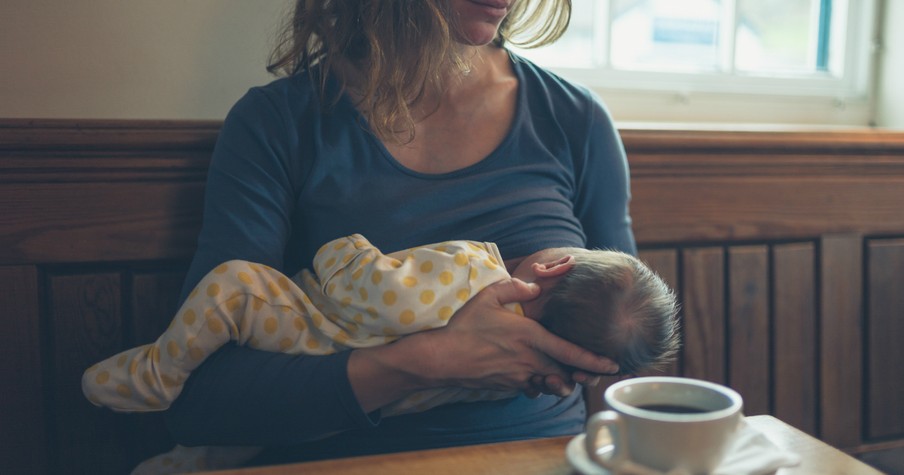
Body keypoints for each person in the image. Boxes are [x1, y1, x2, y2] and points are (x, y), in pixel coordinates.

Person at [160, 0, 638, 468]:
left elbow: (624, 344)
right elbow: (203, 403)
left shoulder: (575, 119)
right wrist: (430, 362)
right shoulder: (278, 123)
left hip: (543, 458)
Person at [84, 233, 678, 473]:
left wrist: (343, 250)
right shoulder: (516, 373)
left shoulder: (475, 267)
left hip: (302, 331)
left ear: (552, 266)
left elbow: (369, 289)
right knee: (234, 446)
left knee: (233, 286)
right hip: (336, 416)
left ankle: (156, 372)